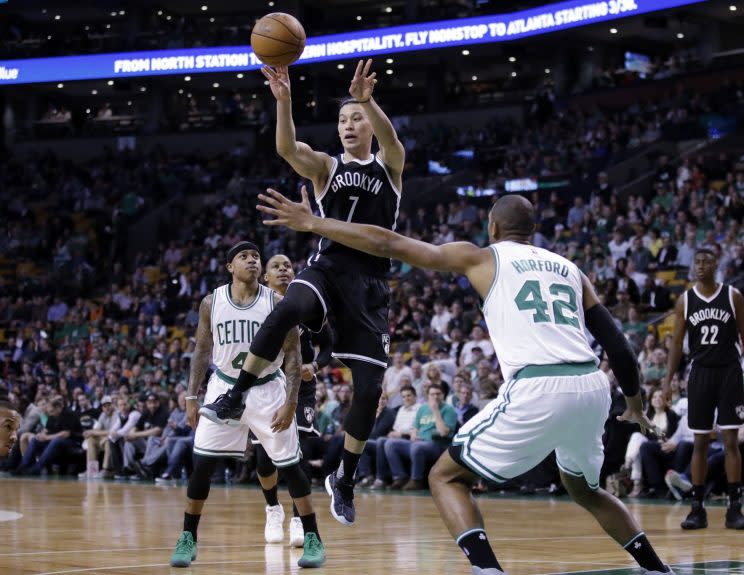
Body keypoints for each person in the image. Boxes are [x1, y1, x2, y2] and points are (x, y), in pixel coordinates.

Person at [257, 190, 675, 575]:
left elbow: (389, 244)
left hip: (538, 385)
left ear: (492, 227)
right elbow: (617, 344)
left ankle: (487, 569)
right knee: (586, 490)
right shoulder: (570, 269)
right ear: (533, 231)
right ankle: (656, 568)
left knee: (444, 477)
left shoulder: (482, 257)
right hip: (591, 385)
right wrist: (635, 403)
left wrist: (315, 223)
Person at [200, 58, 405, 527]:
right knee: (289, 305)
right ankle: (236, 394)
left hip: (370, 282)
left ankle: (345, 478)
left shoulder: (390, 167)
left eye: (357, 118)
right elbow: (287, 147)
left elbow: (393, 141)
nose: (349, 125)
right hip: (328, 266)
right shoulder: (326, 167)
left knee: (370, 389)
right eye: (343, 119)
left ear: (370, 125)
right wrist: (285, 100)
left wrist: (368, 100)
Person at [171, 242, 326, 569]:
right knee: (202, 466)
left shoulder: (279, 302)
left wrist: (291, 403)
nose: (252, 260)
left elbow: (295, 357)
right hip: (223, 386)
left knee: (290, 466)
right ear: (230, 266)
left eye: (255, 256)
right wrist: (190, 395)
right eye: (244, 257)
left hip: (268, 388)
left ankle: (312, 536)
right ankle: (188, 537)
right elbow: (201, 351)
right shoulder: (211, 302)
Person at [254, 254, 333, 547]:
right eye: (276, 266)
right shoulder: (257, 307)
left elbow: (328, 345)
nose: (284, 270)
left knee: (296, 454)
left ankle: (298, 518)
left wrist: (316, 366)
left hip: (301, 388)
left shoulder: (307, 305)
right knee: (264, 458)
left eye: (288, 265)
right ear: (266, 277)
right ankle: (273, 509)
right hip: (265, 386)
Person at [664, 248, 744, 530]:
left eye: (706, 261)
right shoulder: (685, 300)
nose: (700, 266)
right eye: (697, 261)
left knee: (731, 441)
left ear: (716, 264)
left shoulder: (733, 296)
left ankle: (735, 508)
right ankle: (697, 509)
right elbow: (675, 344)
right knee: (700, 442)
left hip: (730, 372)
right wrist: (667, 379)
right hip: (700, 372)